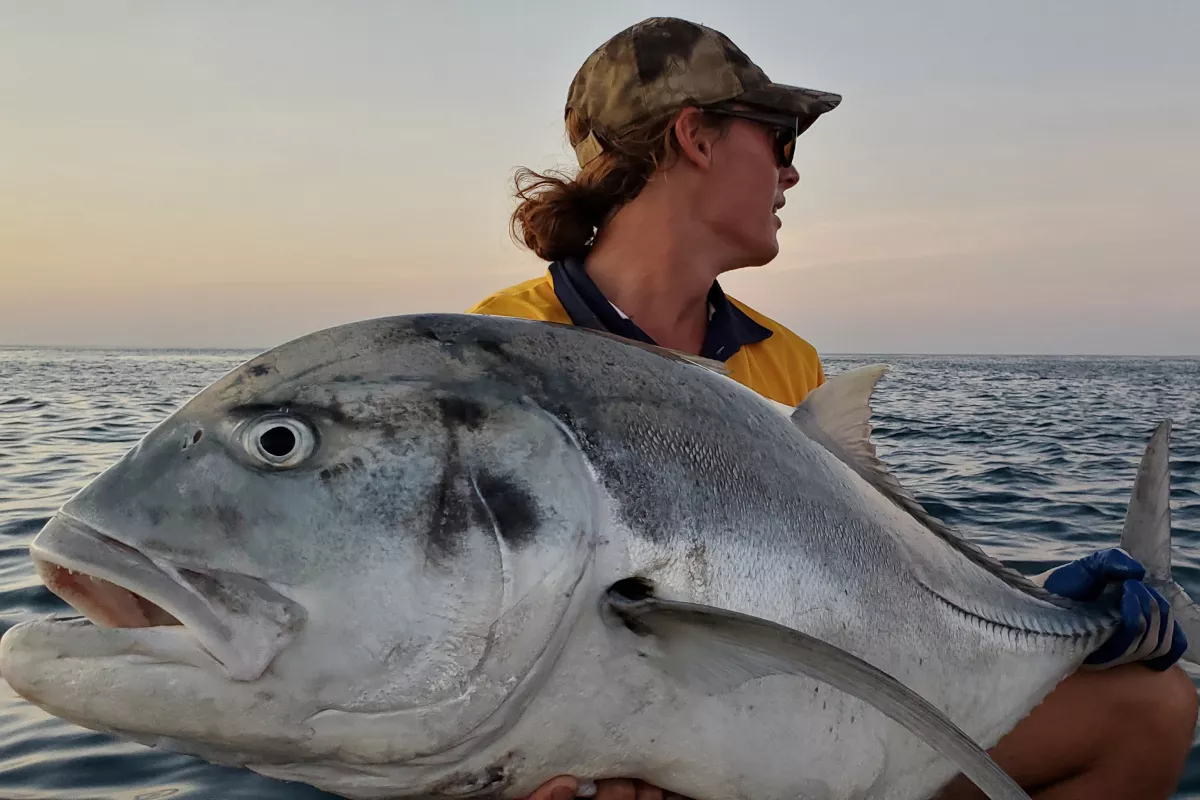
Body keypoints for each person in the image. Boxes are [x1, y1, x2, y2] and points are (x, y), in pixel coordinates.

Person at [466, 17, 1198, 800]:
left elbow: (869, 584)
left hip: (806, 725)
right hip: (624, 745)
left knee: (1152, 707)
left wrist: (1052, 605)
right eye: (781, 140)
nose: (793, 176)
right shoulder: (512, 352)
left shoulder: (788, 363)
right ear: (696, 138)